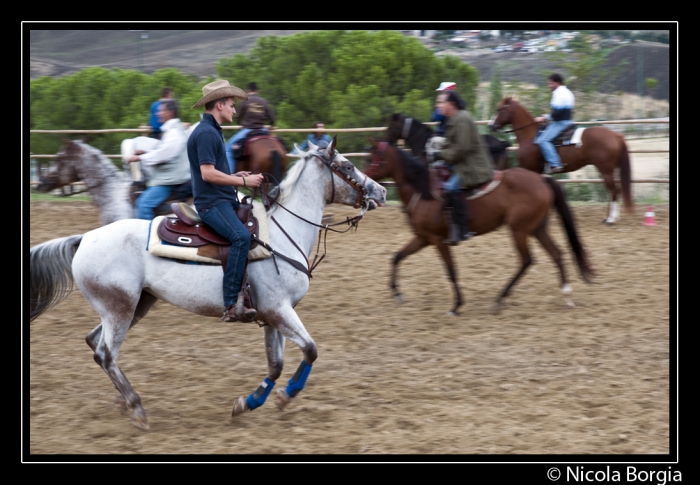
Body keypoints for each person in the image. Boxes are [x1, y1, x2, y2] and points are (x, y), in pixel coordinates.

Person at [187, 80, 265, 323]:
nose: (234, 110)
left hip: (221, 197)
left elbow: (214, 174)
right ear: (219, 105)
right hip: (212, 204)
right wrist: (242, 183)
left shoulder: (212, 131)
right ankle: (231, 303)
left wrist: (233, 176)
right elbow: (207, 174)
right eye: (231, 105)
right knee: (240, 237)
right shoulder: (207, 133)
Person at [432, 90, 493, 246]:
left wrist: (440, 155)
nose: (439, 105)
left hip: (471, 166)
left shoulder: (462, 119)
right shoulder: (455, 119)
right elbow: (454, 143)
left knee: (451, 188)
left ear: (451, 105)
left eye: (442, 102)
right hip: (463, 163)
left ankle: (463, 228)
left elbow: (462, 148)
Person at [127, 98, 191, 220]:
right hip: (172, 176)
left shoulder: (174, 132)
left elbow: (163, 155)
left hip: (170, 179)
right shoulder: (174, 130)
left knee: (143, 205)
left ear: (170, 112)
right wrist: (146, 152)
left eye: (160, 111)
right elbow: (168, 151)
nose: (157, 113)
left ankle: (148, 236)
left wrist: (139, 157)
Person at [225, 82, 276, 173]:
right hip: (262, 129)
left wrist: (241, 124)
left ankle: (229, 175)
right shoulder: (264, 102)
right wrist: (271, 127)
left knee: (228, 148)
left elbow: (238, 117)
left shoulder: (244, 101)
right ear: (258, 91)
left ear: (247, 91)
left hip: (247, 129)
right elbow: (272, 119)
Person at [533, 73, 575, 174]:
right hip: (568, 120)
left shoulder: (558, 93)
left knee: (544, 140)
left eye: (550, 83)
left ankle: (555, 164)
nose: (549, 86)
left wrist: (544, 117)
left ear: (556, 83)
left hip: (560, 123)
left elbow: (557, 113)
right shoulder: (568, 92)